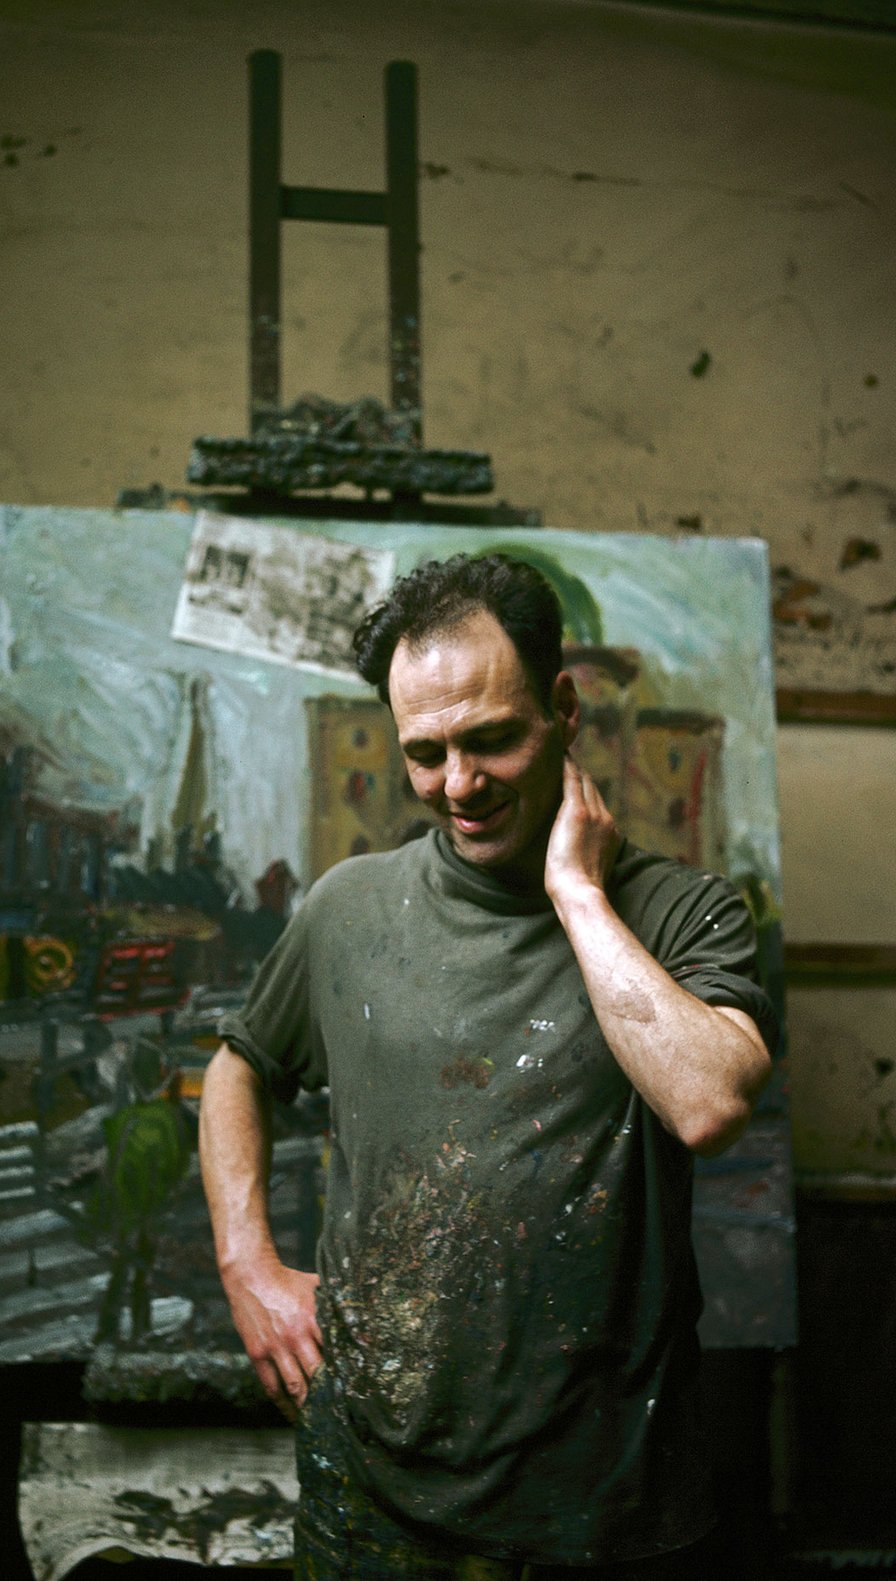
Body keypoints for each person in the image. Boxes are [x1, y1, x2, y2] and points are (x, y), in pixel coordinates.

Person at [198, 553, 776, 1580]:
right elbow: (239, 1068)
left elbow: (708, 1103)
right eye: (425, 753)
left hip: (607, 1506)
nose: (456, 787)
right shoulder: (347, 909)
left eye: (490, 741)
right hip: (370, 1491)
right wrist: (249, 1265)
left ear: (562, 708)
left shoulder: (687, 914)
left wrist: (580, 897)